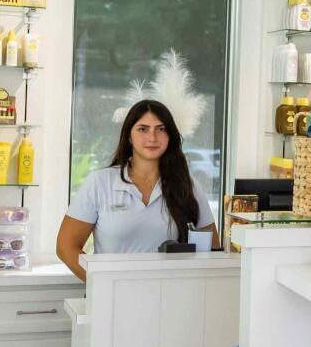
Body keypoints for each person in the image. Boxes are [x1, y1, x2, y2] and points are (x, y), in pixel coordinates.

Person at [54, 100, 206, 279]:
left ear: (170, 136)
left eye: (161, 129)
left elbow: (210, 249)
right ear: (129, 136)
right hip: (112, 293)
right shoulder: (100, 182)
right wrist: (102, 283)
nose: (152, 137)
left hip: (170, 294)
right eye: (143, 129)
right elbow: (66, 246)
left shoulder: (187, 186)